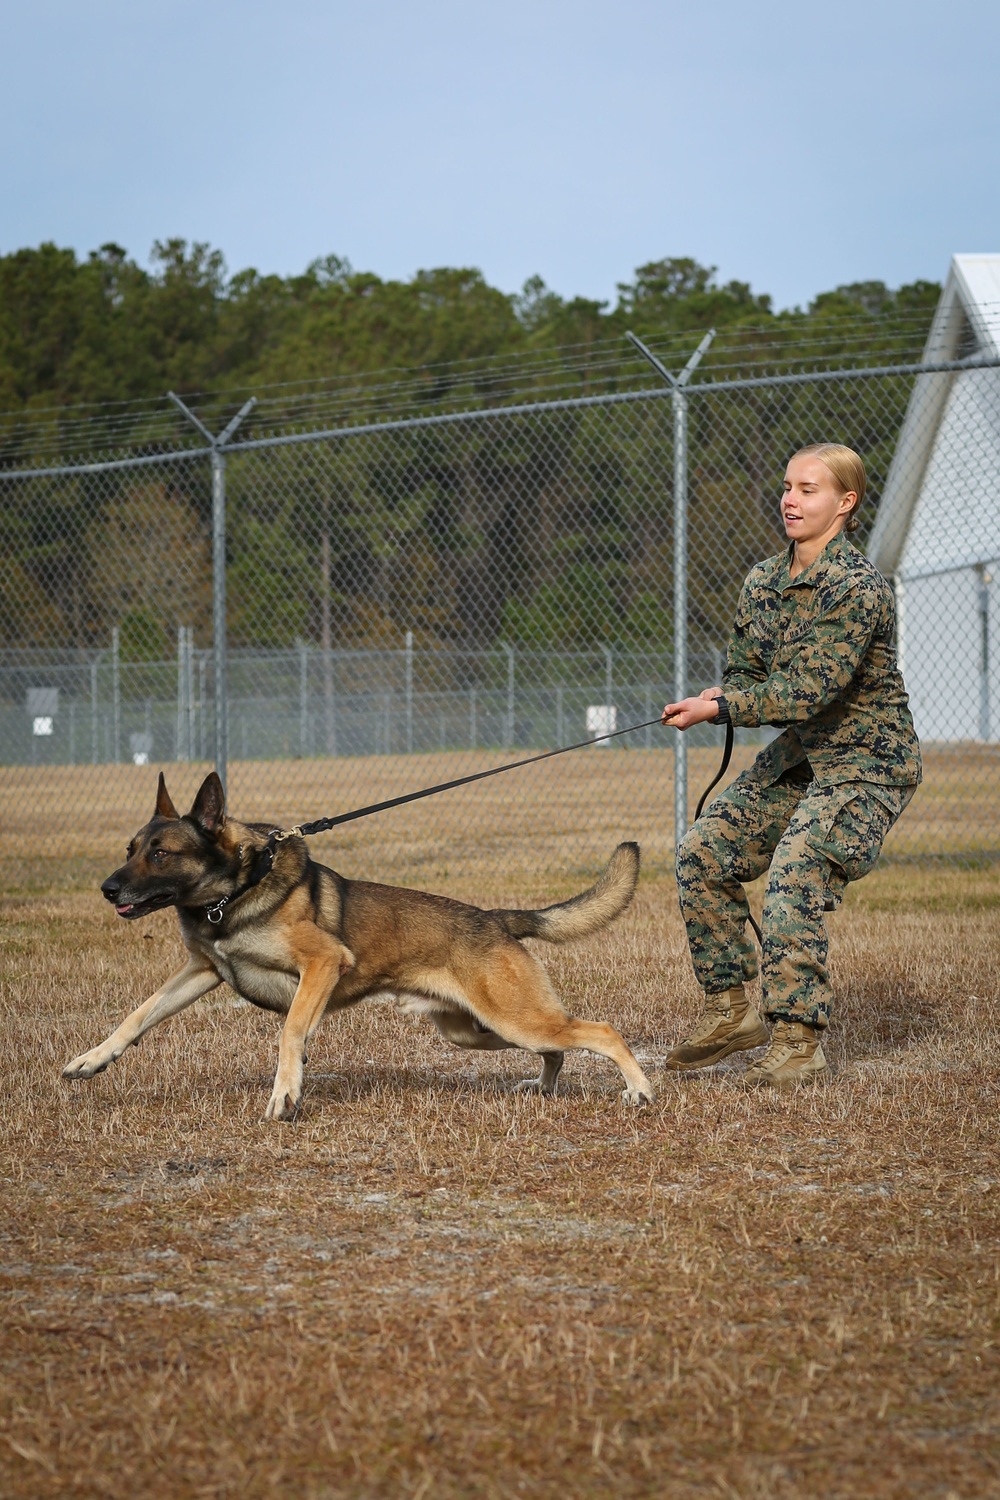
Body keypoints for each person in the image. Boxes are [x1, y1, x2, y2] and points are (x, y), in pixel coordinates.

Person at [660, 443, 921, 1088]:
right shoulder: (762, 581)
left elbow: (810, 689)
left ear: (846, 503)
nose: (790, 499)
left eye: (809, 489)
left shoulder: (857, 587)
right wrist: (718, 695)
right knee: (703, 853)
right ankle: (731, 1010)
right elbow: (747, 673)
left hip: (869, 761)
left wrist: (720, 710)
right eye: (787, 487)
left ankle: (798, 1041)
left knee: (795, 873)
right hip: (804, 758)